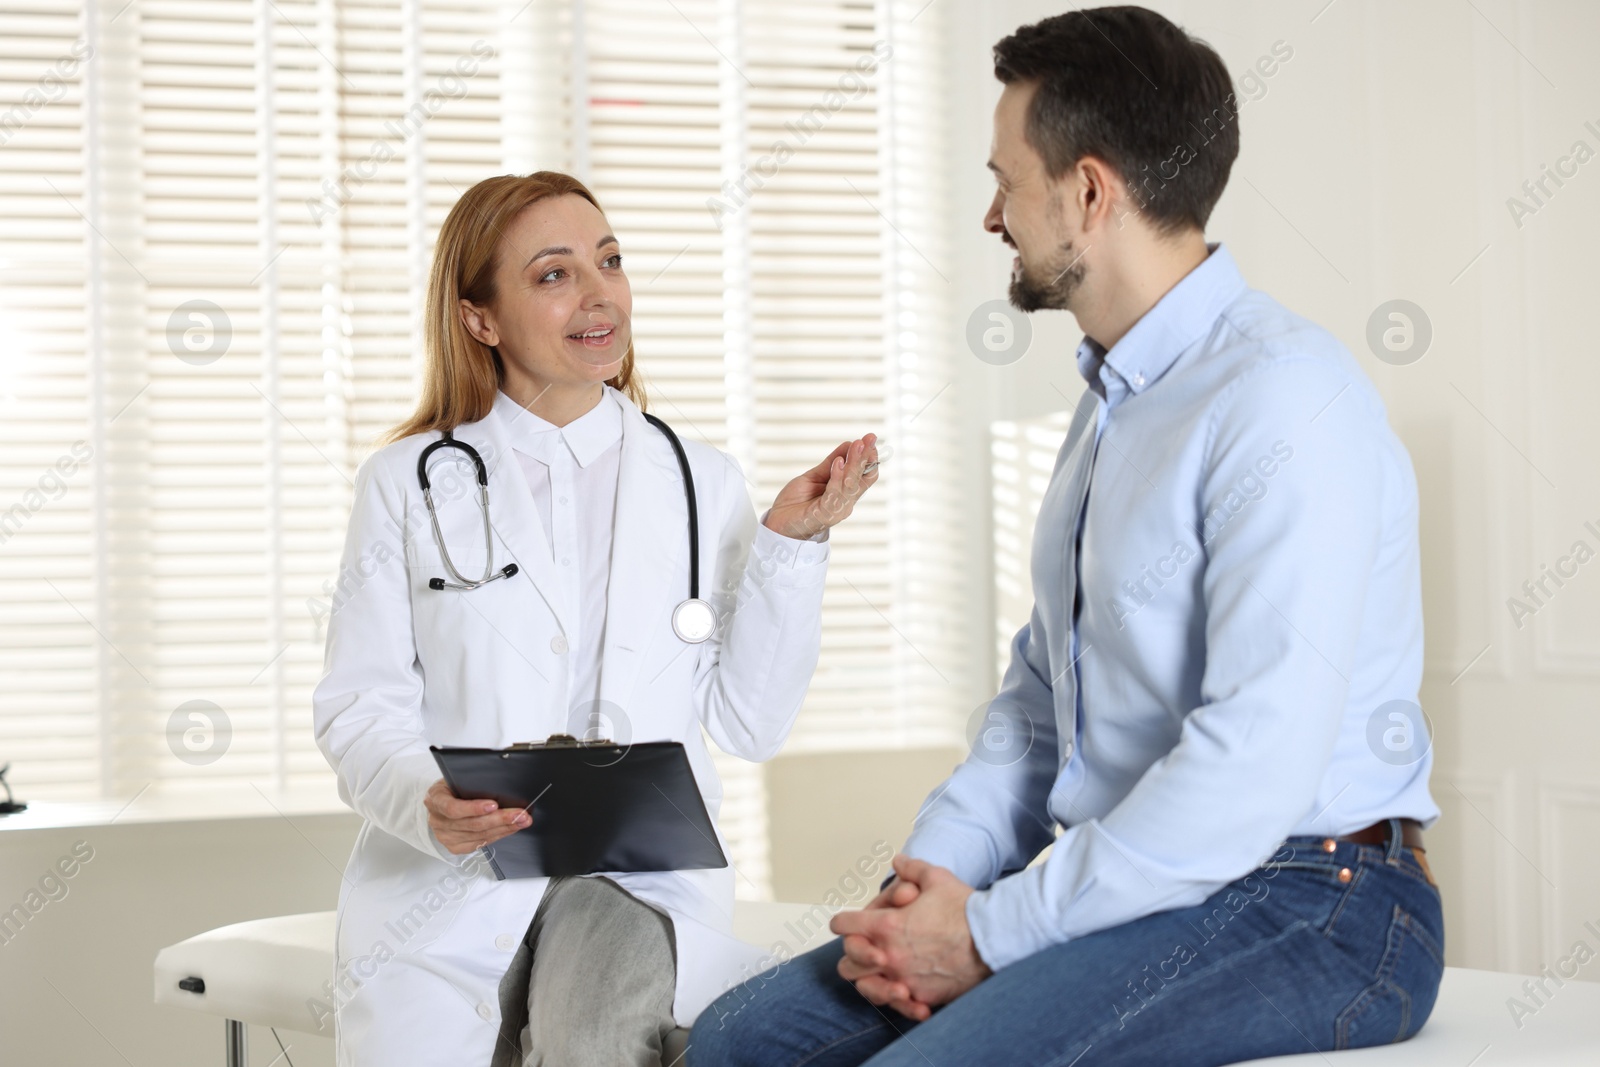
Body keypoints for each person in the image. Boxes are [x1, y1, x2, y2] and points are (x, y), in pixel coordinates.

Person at [688, 7, 1442, 1065]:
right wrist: (936, 877)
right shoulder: (1112, 403)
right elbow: (1040, 699)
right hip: (1135, 877)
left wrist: (989, 932)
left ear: (1088, 192)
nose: (992, 215)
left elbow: (1251, 765)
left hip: (1313, 895)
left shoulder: (1283, 396)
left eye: (1005, 180)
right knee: (732, 1042)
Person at [312, 170, 880, 1067]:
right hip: (449, 883)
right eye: (553, 273)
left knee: (592, 1037)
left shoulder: (702, 482)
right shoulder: (408, 483)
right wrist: (424, 800)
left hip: (636, 875)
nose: (598, 292)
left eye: (608, 260)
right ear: (480, 318)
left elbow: (750, 721)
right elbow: (359, 706)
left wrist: (791, 547)